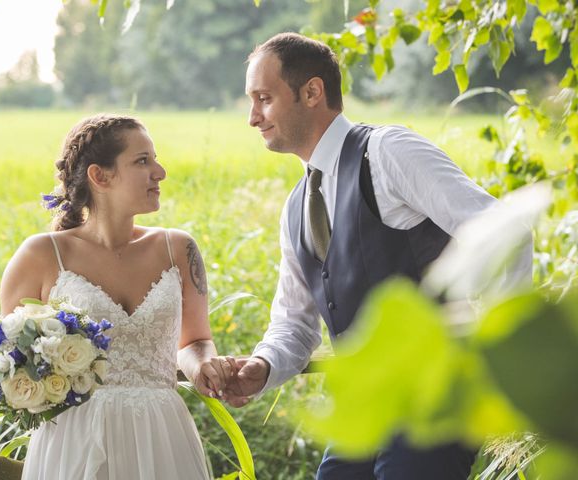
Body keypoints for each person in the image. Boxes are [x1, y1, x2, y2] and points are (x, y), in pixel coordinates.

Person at [218, 32, 531, 479]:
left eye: (264, 98)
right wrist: (263, 366)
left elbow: (504, 234)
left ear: (312, 92)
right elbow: (294, 320)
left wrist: (499, 358)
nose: (252, 117)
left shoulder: (388, 152)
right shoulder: (295, 207)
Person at [1, 114, 227, 479]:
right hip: (76, 439)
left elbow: (197, 340)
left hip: (161, 432)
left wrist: (202, 365)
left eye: (155, 158)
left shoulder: (178, 249)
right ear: (100, 176)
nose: (160, 171)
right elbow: (16, 364)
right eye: (143, 161)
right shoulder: (40, 256)